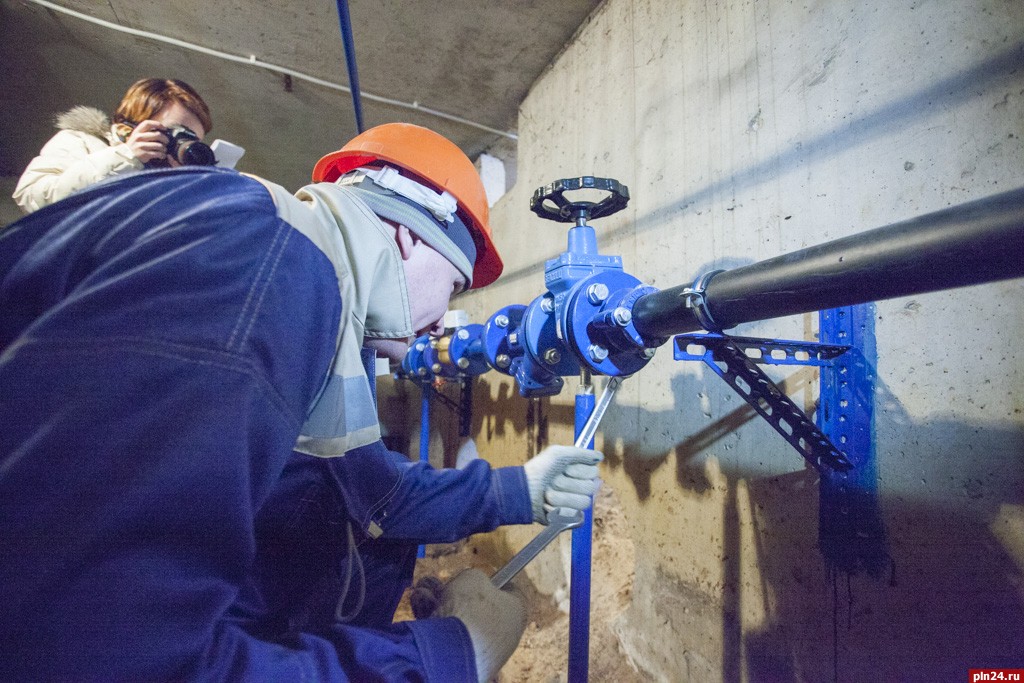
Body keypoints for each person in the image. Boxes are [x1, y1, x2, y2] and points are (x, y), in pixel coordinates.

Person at [0, 122, 602, 682]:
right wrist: (445, 655)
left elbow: (373, 492)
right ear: (408, 236)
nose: (445, 318)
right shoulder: (262, 264)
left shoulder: (307, 287)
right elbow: (107, 652)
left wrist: (516, 489)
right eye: (452, 285)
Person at [12, 77, 213, 213]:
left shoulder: (173, 180)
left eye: (190, 139)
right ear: (138, 121)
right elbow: (32, 198)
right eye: (175, 132)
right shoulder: (82, 141)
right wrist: (125, 158)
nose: (181, 144)